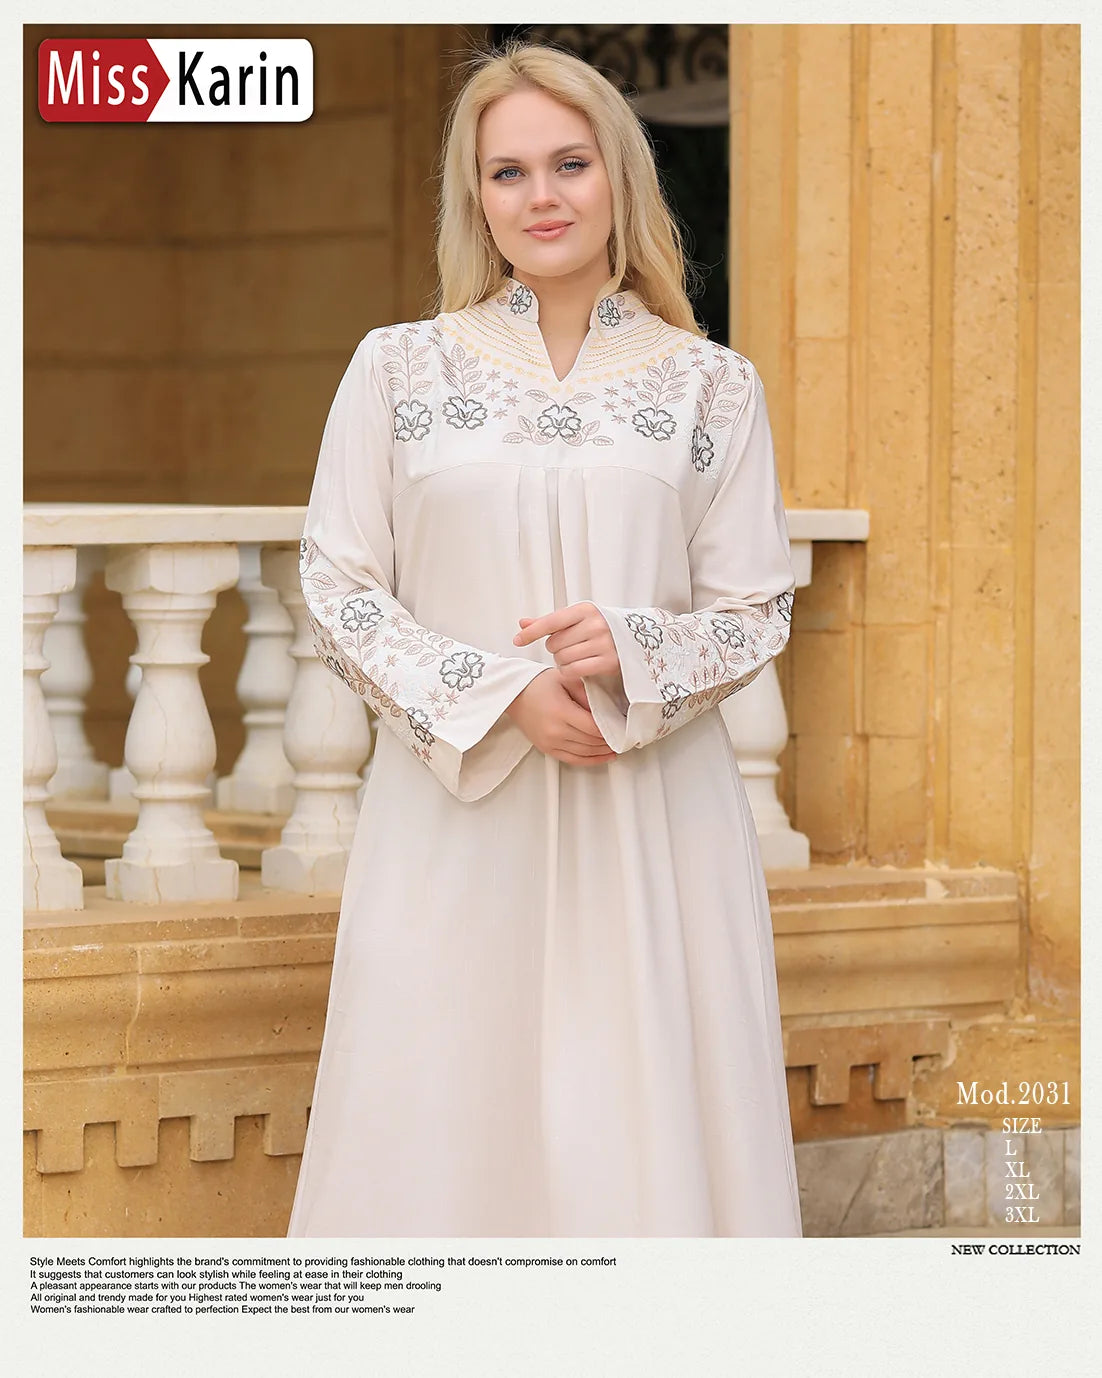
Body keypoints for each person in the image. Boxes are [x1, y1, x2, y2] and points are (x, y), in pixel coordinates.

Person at [286, 42, 802, 1238]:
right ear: (476, 197)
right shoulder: (397, 370)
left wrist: (630, 649)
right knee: (443, 1098)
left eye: (569, 163)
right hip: (458, 808)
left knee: (645, 1111)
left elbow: (752, 607)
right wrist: (500, 694)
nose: (543, 196)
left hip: (652, 817)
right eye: (508, 172)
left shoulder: (710, 387)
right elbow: (338, 581)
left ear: (619, 174)